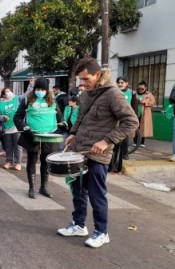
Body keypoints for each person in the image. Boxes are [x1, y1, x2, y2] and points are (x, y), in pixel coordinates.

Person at [57, 58, 138, 248]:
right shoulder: (85, 95)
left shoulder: (113, 95)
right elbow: (81, 118)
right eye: (80, 80)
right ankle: (79, 225)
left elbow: (132, 122)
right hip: (79, 151)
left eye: (86, 79)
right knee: (77, 191)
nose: (82, 84)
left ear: (98, 75)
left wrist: (107, 140)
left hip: (98, 155)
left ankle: (102, 232)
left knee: (96, 194)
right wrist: (73, 134)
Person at [14, 78, 66, 199]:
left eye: (42, 89)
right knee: (32, 161)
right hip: (33, 135)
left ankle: (44, 187)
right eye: (37, 89)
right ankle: (32, 187)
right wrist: (24, 127)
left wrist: (63, 123)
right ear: (34, 89)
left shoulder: (52, 100)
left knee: (46, 161)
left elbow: (59, 116)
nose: (40, 91)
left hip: (49, 135)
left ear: (47, 90)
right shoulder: (28, 99)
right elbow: (17, 117)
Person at [0, 87, 23, 171]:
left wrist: (30, 85)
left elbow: (26, 95)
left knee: (18, 146)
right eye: (7, 92)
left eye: (10, 91)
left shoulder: (16, 99)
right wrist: (3, 117)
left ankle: (18, 162)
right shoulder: (0, 104)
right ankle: (9, 161)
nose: (9, 93)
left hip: (17, 126)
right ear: (4, 94)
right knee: (8, 146)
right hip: (7, 127)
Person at [116, 76, 137, 160]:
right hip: (115, 117)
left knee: (125, 136)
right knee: (115, 135)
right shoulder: (114, 91)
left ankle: (125, 154)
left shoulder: (131, 92)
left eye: (122, 82)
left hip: (126, 117)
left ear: (126, 83)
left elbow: (134, 106)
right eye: (119, 82)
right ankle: (115, 153)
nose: (120, 84)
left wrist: (133, 117)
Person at [134, 81, 155, 147]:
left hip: (145, 114)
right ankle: (135, 142)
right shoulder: (134, 94)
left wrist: (145, 103)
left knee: (143, 128)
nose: (140, 90)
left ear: (145, 88)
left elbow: (153, 103)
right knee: (135, 127)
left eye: (142, 89)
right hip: (136, 113)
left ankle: (142, 143)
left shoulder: (149, 94)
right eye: (139, 88)